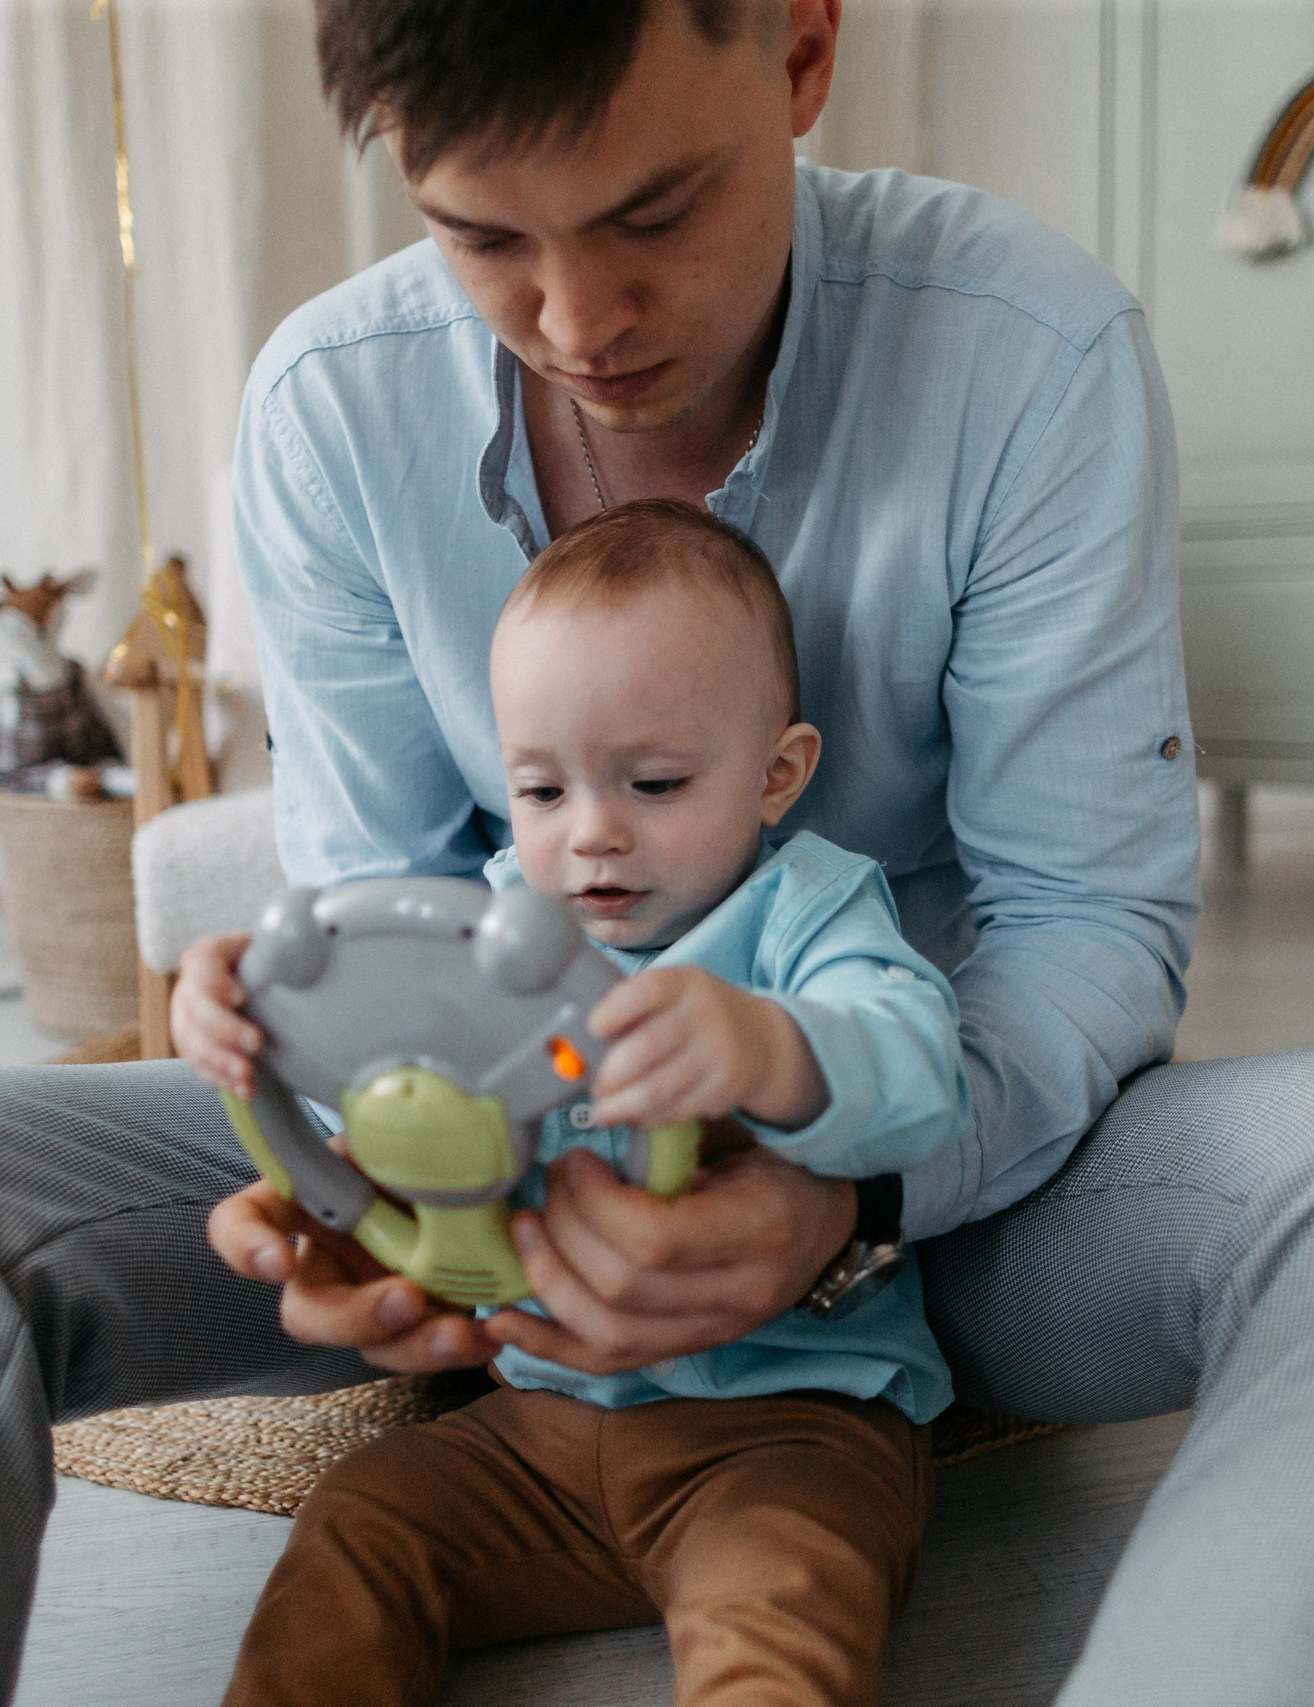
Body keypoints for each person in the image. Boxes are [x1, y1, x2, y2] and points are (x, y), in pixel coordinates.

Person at [0, 4, 1314, 1705]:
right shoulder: (332, 411)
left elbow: (1083, 923)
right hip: (518, 1168)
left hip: (958, 1173)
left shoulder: (1029, 356)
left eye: (655, 211)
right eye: (481, 238)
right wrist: (359, 1168)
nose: (575, 320)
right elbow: (367, 925)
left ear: (802, 49)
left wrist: (845, 1195)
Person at [220, 498, 965, 1707]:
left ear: (776, 775)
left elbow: (923, 1075)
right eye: (540, 791)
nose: (593, 836)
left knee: (776, 1616)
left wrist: (769, 1046)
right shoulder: (498, 928)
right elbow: (416, 1102)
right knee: (359, 1518)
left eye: (655, 783)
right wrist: (326, 1153)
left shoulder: (805, 911)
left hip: (788, 1425)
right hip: (540, 1425)